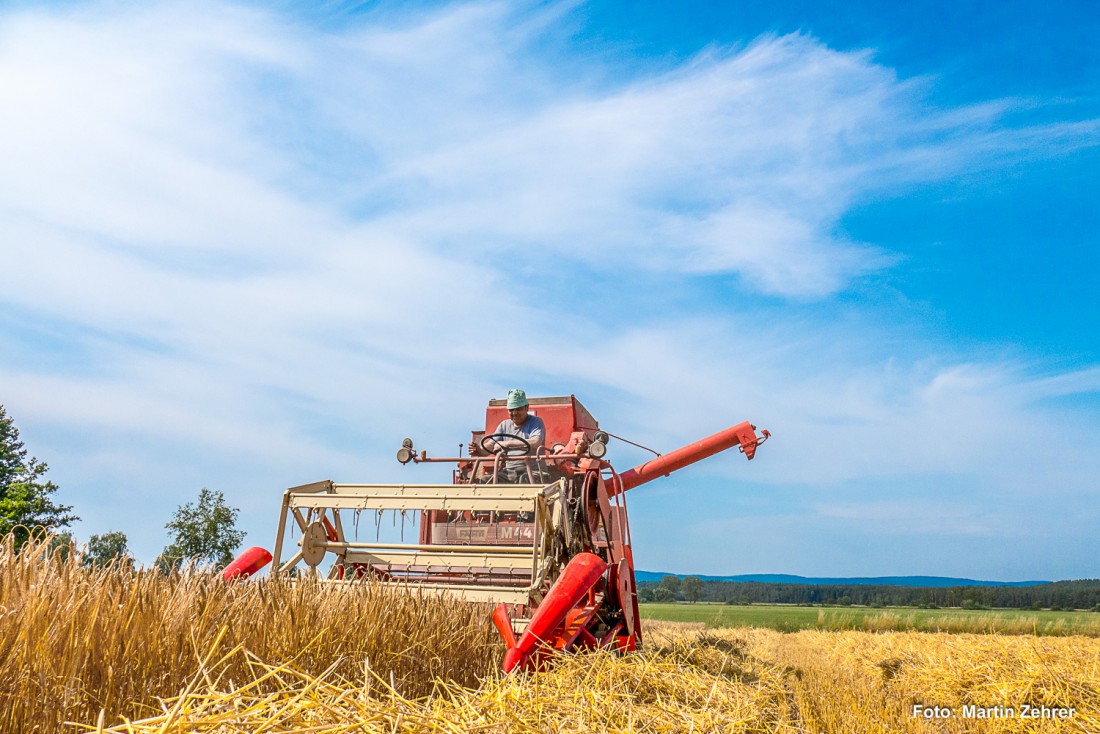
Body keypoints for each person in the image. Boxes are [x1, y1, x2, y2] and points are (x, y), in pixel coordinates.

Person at [467, 388, 546, 483]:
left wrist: (507, 444)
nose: (515, 413)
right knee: (484, 481)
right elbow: (491, 445)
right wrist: (479, 450)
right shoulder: (504, 425)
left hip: (534, 472)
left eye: (518, 409)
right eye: (511, 410)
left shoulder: (536, 422)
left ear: (526, 408)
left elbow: (536, 442)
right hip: (509, 472)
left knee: (523, 481)